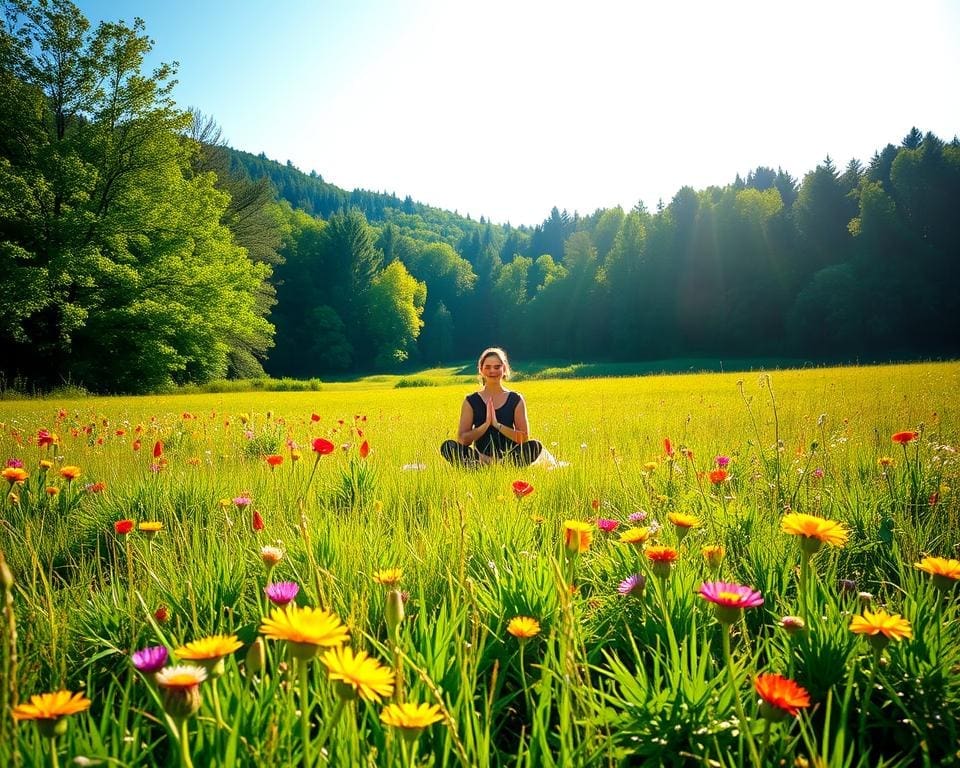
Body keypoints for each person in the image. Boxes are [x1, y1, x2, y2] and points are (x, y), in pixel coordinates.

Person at [440, 347, 543, 467]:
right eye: (487, 367)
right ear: (481, 370)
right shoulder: (471, 401)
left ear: (504, 369)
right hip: (479, 458)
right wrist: (485, 425)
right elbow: (463, 440)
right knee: (448, 447)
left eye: (497, 367)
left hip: (509, 457)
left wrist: (497, 425)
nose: (492, 371)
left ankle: (503, 465)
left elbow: (523, 438)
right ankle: (483, 465)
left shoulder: (516, 399)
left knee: (534, 446)